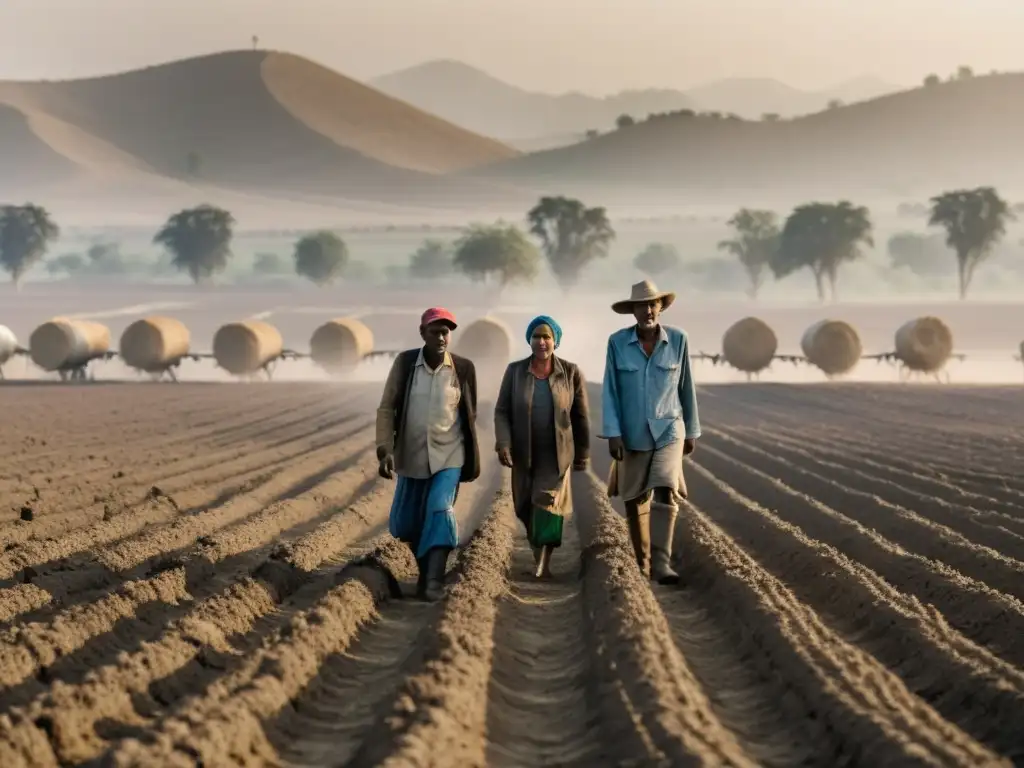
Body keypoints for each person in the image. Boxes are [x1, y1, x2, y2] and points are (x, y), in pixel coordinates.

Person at [375, 307, 481, 601]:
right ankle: (425, 574)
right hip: (412, 455)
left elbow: (469, 415)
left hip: (450, 455)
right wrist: (385, 449)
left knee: (439, 507)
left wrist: (471, 455)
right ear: (422, 333)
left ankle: (433, 579)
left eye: (446, 331)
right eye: (435, 331)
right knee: (407, 522)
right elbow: (386, 408)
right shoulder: (406, 363)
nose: (441, 337)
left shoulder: (464, 368)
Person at [600, 280, 700, 585]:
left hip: (670, 428)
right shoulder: (617, 343)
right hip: (632, 433)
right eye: (641, 306)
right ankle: (642, 562)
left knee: (665, 486)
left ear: (660, 307)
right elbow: (610, 390)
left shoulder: (679, 340)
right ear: (632, 311)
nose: (647, 310)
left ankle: (661, 563)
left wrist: (691, 430)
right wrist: (613, 433)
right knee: (633, 498)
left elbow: (686, 387)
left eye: (652, 304)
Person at [494, 315, 590, 578]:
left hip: (556, 453)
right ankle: (539, 554)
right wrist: (503, 443)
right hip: (523, 451)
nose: (541, 342)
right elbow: (502, 410)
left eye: (546, 336)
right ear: (530, 340)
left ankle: (543, 564)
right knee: (525, 505)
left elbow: (580, 416)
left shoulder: (570, 372)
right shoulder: (515, 372)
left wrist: (583, 453)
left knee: (546, 503)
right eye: (536, 336)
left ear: (555, 341)